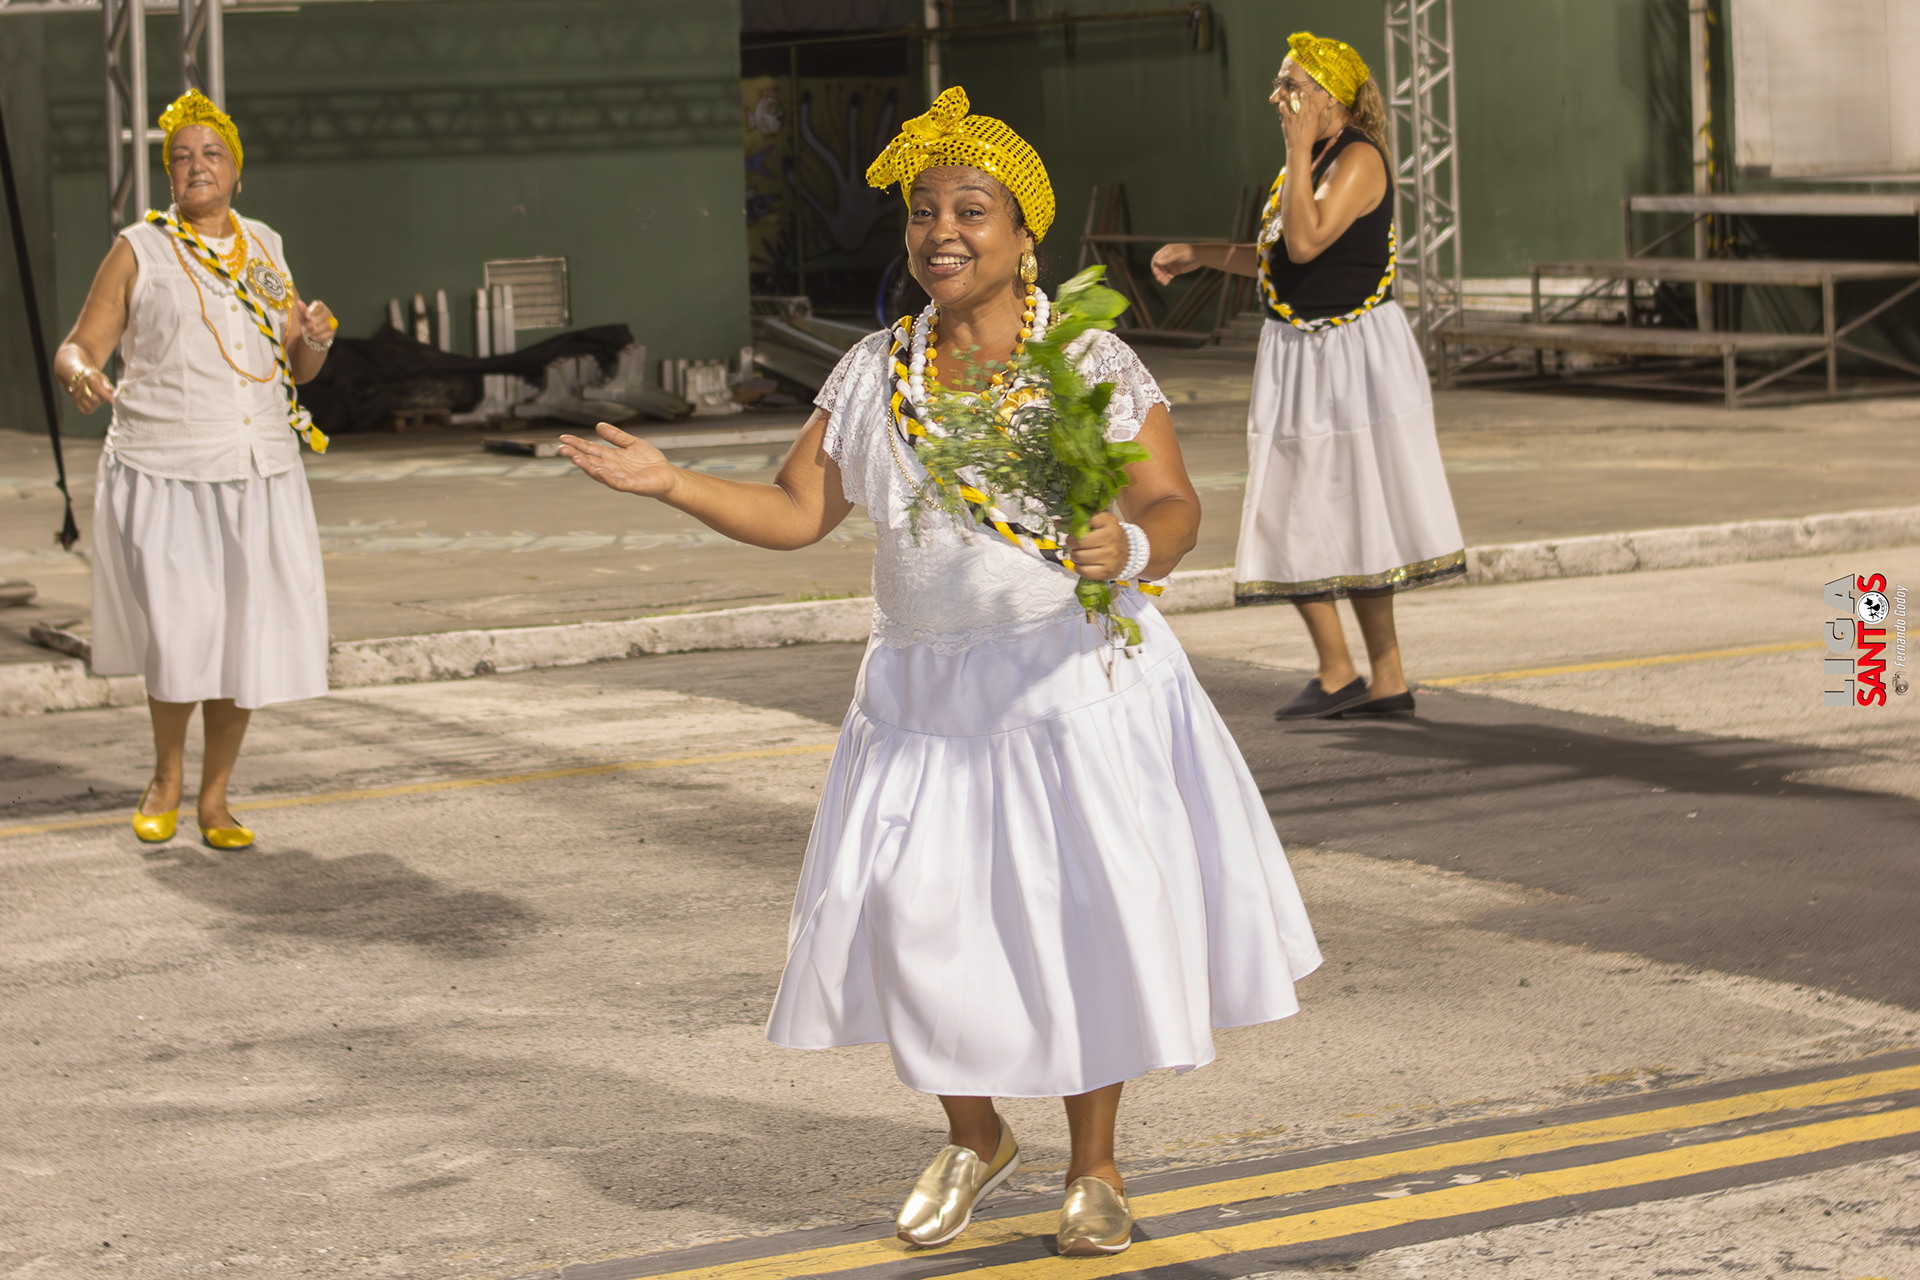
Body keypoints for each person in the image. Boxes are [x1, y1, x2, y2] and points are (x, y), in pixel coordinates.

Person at [560, 87, 1320, 1258]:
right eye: (923, 211)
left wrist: (1133, 545)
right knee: (917, 924)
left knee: (1085, 922)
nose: (941, 231)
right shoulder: (876, 369)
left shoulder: (1086, 359)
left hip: (1066, 688)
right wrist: (674, 485)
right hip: (917, 697)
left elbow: (1173, 502)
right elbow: (796, 509)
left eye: (972, 209)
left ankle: (1095, 1164)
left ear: (1025, 234)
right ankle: (976, 1134)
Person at [52, 89, 337, 850]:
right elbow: (78, 345)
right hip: (166, 470)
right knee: (182, 634)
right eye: (181, 157)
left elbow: (296, 365)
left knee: (245, 636)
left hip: (257, 468)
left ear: (237, 170)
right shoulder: (140, 249)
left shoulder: (263, 247)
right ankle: (165, 779)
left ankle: (215, 799)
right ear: (169, 175)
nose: (196, 165)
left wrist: (315, 337)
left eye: (212, 153)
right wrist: (80, 372)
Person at [1152, 33, 1465, 721]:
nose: (1277, 98)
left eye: (1291, 86)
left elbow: (1305, 240)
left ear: (1330, 97)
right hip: (1299, 351)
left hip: (1351, 356)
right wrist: (1201, 253)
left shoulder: (1358, 159)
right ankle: (1342, 670)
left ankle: (1379, 676)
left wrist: (1296, 152)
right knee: (1289, 505)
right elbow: (1280, 258)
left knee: (1355, 508)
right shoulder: (1313, 159)